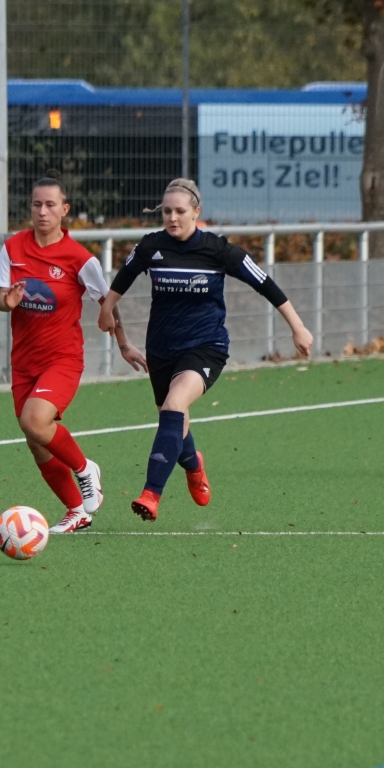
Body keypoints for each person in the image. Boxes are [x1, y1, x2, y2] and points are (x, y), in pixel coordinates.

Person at [97, 178, 313, 521]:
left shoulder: (218, 250)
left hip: (206, 347)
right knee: (175, 423)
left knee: (174, 405)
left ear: (196, 212)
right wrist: (108, 311)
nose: (172, 217)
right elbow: (121, 280)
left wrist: (297, 327)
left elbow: (266, 284)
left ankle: (151, 494)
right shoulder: (151, 247)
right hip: (161, 349)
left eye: (180, 211)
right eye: (166, 211)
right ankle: (194, 463)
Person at [0, 176, 108, 532]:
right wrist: (6, 303)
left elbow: (107, 303)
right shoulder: (13, 248)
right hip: (24, 361)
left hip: (62, 359)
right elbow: (0, 300)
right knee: (35, 439)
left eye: (50, 205)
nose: (42, 211)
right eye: (36, 205)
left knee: (35, 421)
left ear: (64, 210)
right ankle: (77, 510)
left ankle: (85, 468)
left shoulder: (80, 259)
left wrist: (124, 343)